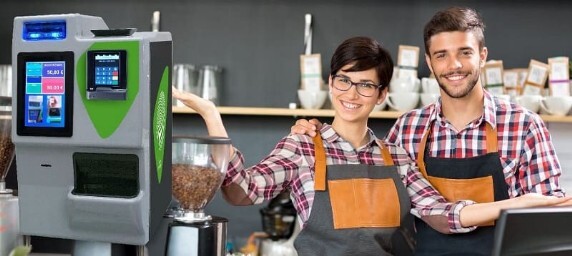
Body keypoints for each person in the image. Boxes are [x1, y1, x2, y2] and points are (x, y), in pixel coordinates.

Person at [174, 36, 570, 256]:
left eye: (366, 84)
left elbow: (440, 213)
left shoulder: (395, 153)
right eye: (344, 80)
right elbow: (241, 190)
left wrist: (511, 205)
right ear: (330, 83)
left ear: (381, 95)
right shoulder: (303, 147)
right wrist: (211, 116)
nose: (352, 93)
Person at [289, 7, 567, 255]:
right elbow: (371, 194)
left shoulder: (525, 126)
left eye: (465, 53)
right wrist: (317, 137)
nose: (454, 65)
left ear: (482, 56)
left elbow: (545, 225)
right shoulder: (408, 129)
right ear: (430, 62)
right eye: (441, 55)